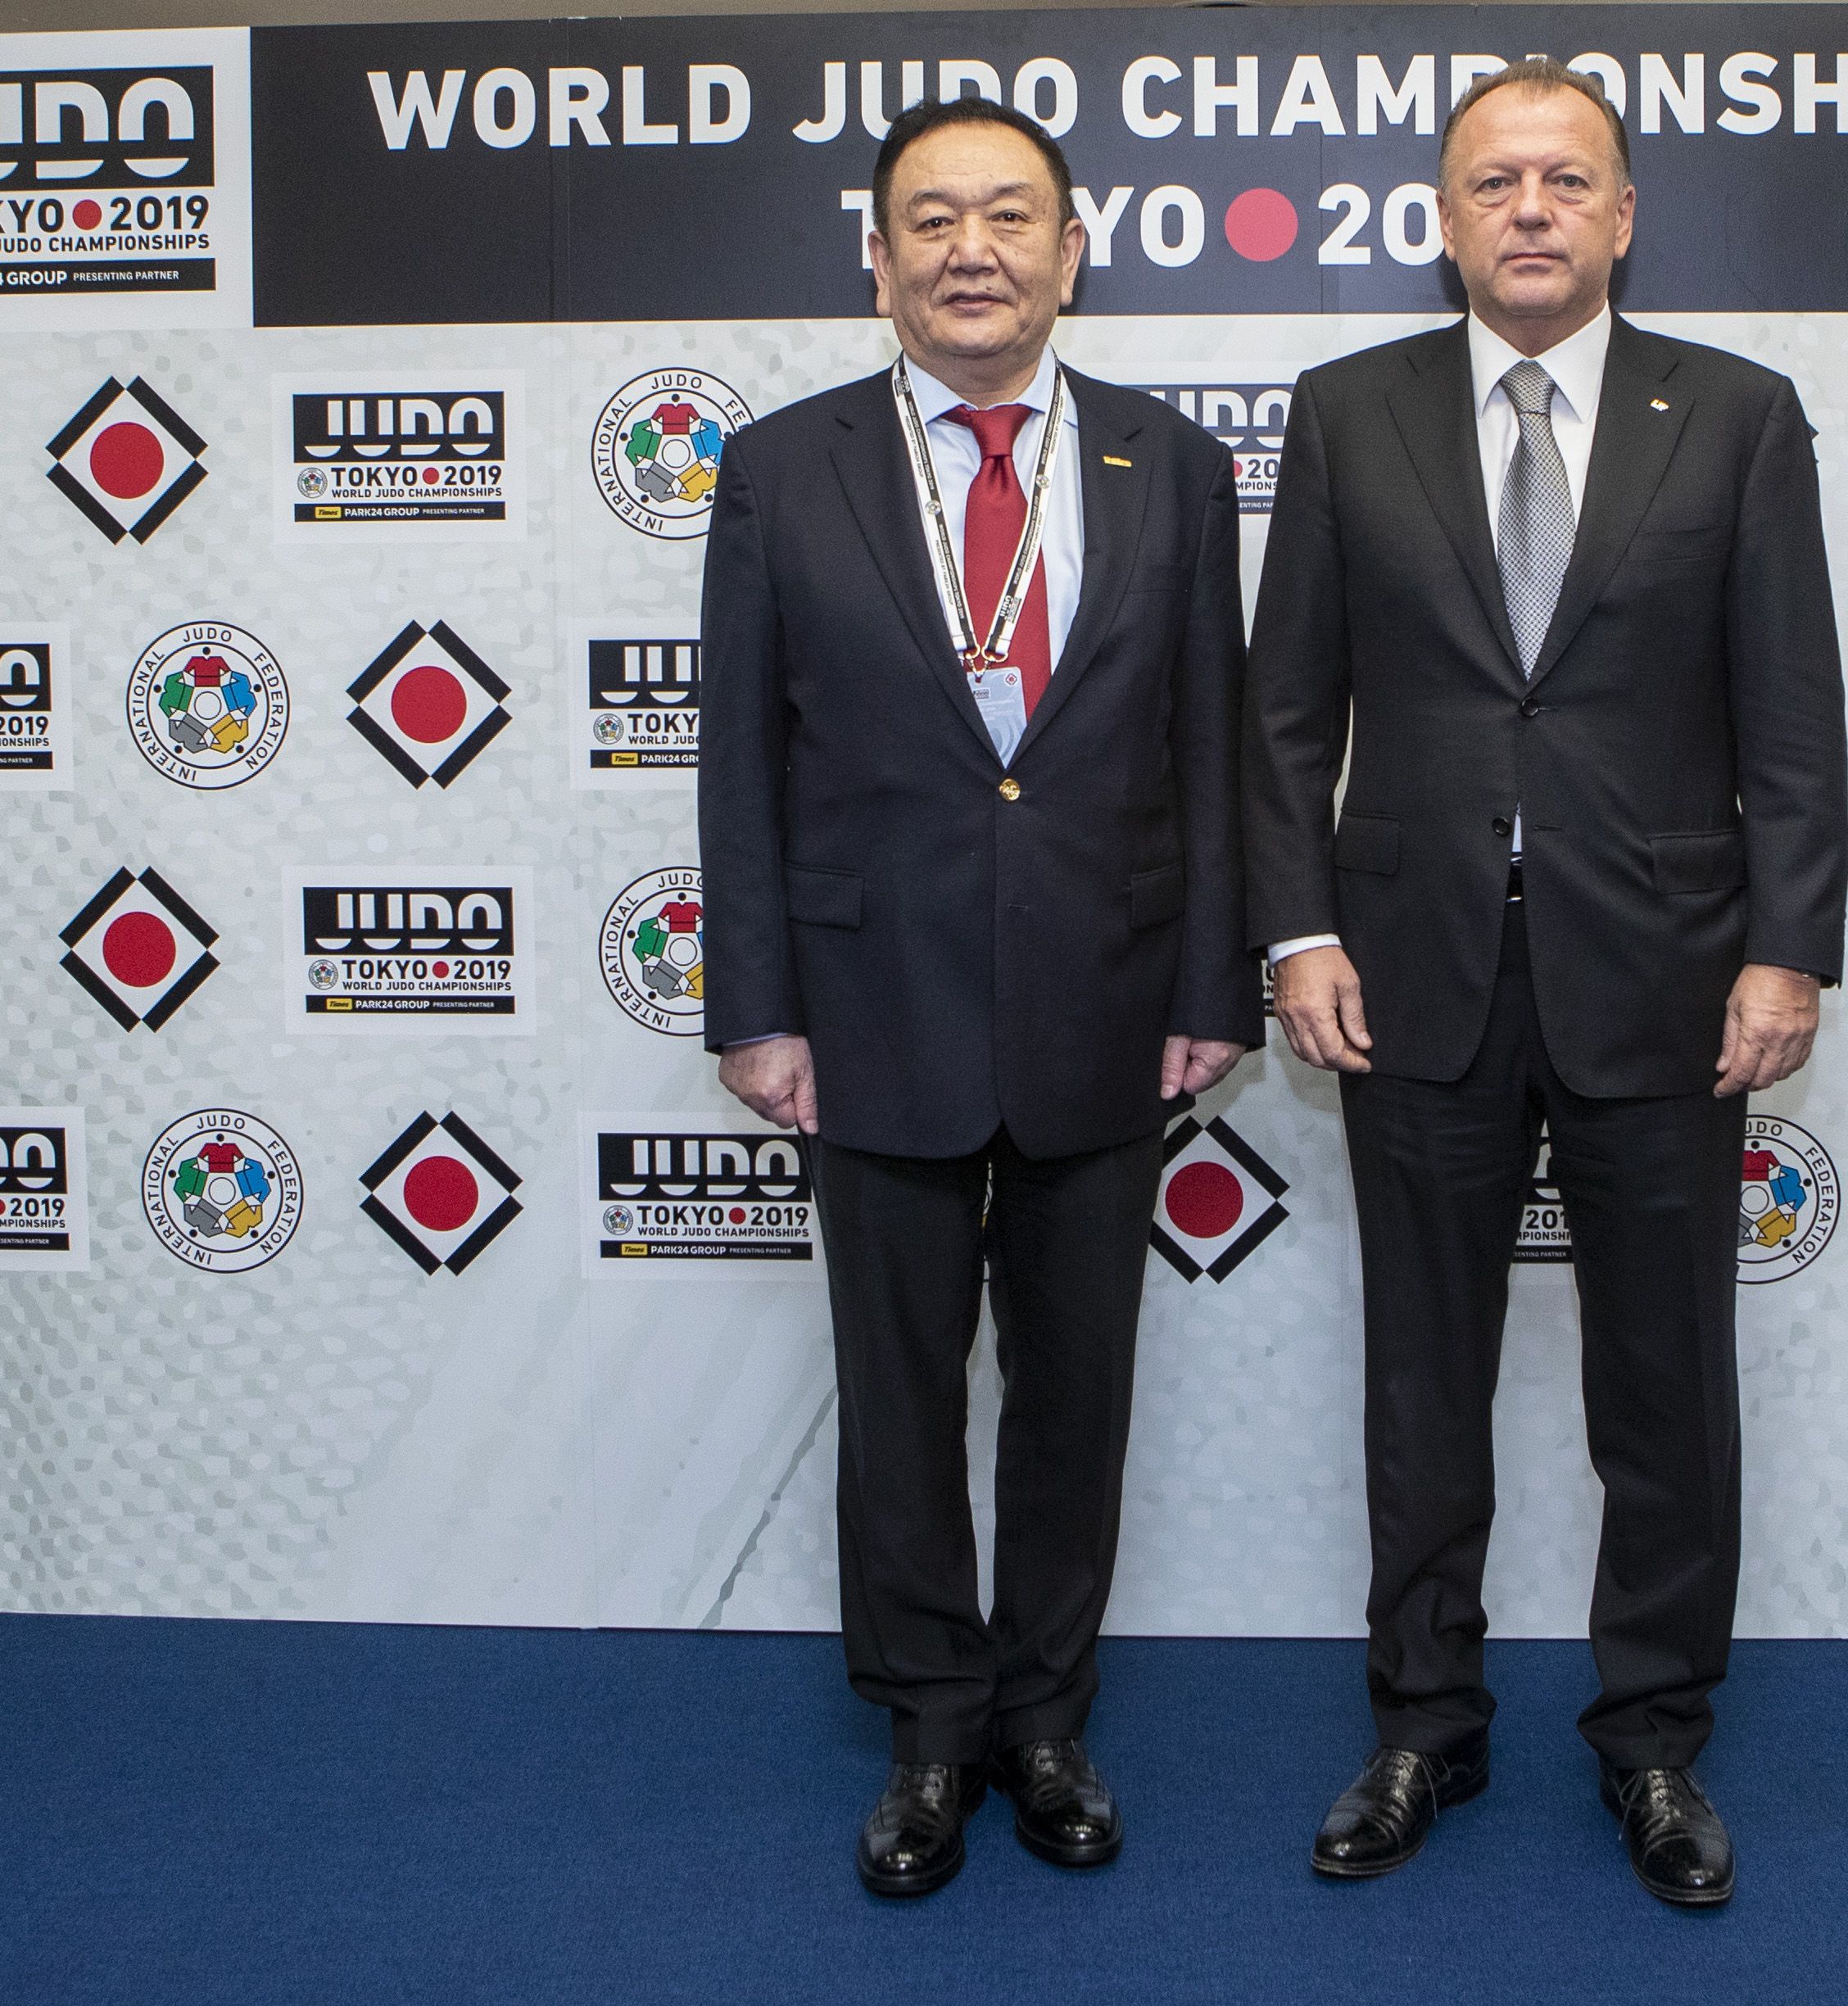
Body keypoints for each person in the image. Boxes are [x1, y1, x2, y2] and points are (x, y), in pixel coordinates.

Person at [1243, 60, 1848, 1908]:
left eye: (1566, 180)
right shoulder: (1346, 411)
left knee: (1664, 1385)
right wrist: (1297, 929)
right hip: (1408, 971)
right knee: (1421, 1381)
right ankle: (1423, 1723)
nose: (1530, 209)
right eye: (1495, 181)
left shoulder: (1735, 415)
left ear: (1623, 214)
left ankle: (1652, 1736)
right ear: (1443, 217)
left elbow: (1792, 716)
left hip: (1665, 974)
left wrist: (1786, 946)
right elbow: (1285, 716)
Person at [695, 94, 1258, 1898]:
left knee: (1077, 1396)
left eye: (1009, 216)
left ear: (1071, 253)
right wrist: (755, 1006)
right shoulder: (781, 467)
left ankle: (1045, 1722)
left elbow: (1211, 745)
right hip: (870, 1004)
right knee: (900, 1398)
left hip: (1112, 999)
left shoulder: (1172, 463)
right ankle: (932, 1728)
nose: (971, 251)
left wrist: (1213, 978)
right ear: (876, 261)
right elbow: (737, 761)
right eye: (930, 219)